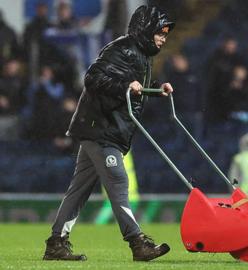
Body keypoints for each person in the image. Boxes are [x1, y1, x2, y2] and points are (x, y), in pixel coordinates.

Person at [43, 5, 175, 262]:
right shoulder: (123, 49)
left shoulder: (142, 55)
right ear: (146, 30)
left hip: (103, 128)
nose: (163, 38)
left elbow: (133, 86)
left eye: (166, 34)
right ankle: (138, 243)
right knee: (118, 182)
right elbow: (92, 78)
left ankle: (56, 243)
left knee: (78, 190)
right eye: (160, 33)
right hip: (101, 129)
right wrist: (126, 85)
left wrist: (157, 89)